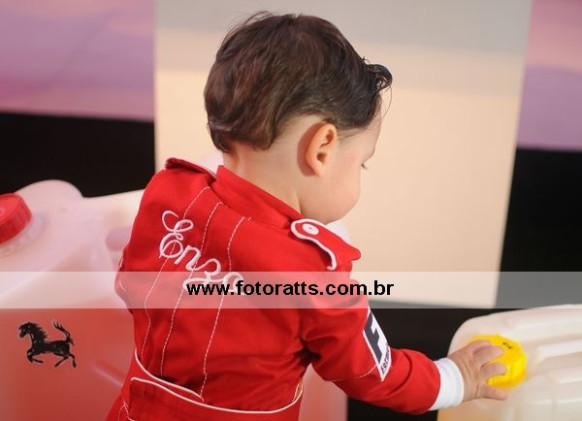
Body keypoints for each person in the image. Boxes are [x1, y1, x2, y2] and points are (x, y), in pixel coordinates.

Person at [107, 12, 507, 421]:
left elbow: (128, 282)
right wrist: (456, 378)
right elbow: (374, 372)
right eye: (361, 163)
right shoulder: (314, 274)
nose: (360, 173)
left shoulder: (171, 190)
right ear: (322, 149)